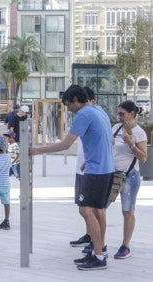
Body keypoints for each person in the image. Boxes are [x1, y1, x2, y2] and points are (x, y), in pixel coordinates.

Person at [29, 85, 114, 271]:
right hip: (105, 168)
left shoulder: (83, 114)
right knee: (98, 210)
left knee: (85, 211)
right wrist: (90, 159)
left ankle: (99, 257)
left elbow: (66, 145)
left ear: (76, 100)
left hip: (96, 171)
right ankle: (97, 252)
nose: (69, 109)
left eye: (68, 105)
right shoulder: (99, 110)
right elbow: (107, 139)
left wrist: (37, 150)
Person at [111, 100, 147, 259]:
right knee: (99, 208)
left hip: (130, 176)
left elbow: (144, 157)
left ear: (132, 114)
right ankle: (97, 243)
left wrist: (131, 143)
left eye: (122, 114)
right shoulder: (116, 128)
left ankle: (125, 246)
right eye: (118, 113)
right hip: (112, 174)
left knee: (127, 211)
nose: (119, 116)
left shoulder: (139, 133)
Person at [70, 87, 95, 248]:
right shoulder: (85, 116)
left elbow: (66, 142)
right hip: (81, 169)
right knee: (83, 208)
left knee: (93, 210)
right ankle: (90, 235)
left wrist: (38, 150)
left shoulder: (91, 115)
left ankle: (98, 244)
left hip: (92, 170)